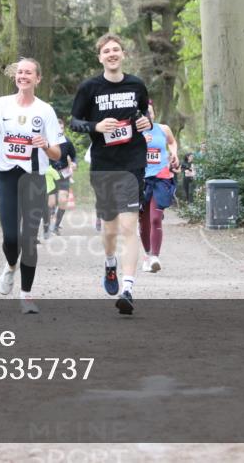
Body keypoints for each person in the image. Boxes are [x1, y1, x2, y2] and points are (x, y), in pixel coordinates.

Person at [0, 58, 62, 314]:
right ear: (15, 77)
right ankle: (10, 267)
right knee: (10, 237)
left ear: (37, 78)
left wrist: (44, 146)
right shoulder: (1, 104)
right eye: (20, 72)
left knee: (29, 240)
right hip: (7, 176)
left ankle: (26, 295)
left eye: (29, 72)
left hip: (34, 179)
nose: (23, 76)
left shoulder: (45, 110)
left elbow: (57, 154)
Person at [70, 33, 152, 315]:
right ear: (100, 57)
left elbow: (147, 113)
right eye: (107, 51)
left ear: (123, 54)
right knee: (111, 229)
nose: (112, 54)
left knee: (130, 228)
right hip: (104, 164)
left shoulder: (136, 84)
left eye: (116, 49)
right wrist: (95, 127)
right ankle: (109, 262)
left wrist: (146, 121)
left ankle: (128, 289)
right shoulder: (90, 88)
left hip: (133, 162)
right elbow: (75, 122)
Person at [140, 102, 180, 273]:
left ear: (154, 114)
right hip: (140, 180)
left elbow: (172, 142)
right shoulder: (134, 133)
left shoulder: (163, 129)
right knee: (143, 221)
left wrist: (174, 153)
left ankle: (155, 257)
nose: (148, 115)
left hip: (161, 177)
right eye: (145, 113)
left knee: (156, 218)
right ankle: (148, 255)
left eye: (151, 112)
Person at [44, 118, 77, 237]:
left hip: (63, 173)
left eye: (62, 128)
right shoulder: (47, 141)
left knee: (63, 200)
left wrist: (74, 163)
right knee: (51, 202)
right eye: (58, 128)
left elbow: (73, 156)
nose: (60, 131)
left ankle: (56, 226)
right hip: (50, 175)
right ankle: (47, 227)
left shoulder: (67, 142)